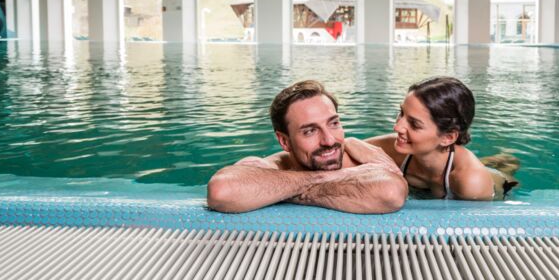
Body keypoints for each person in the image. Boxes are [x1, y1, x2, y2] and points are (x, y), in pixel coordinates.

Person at [206, 80, 408, 214]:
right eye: (310, 131)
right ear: (284, 141)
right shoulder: (271, 167)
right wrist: (328, 178)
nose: (329, 140)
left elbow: (391, 192)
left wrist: (283, 192)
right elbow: (221, 191)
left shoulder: (359, 158)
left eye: (334, 123)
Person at [368, 77, 518, 201]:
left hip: (500, 185)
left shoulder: (471, 183)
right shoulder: (393, 148)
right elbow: (353, 146)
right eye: (401, 113)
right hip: (453, 162)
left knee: (507, 167)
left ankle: (506, 160)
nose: (397, 127)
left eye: (414, 124)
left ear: (448, 137)